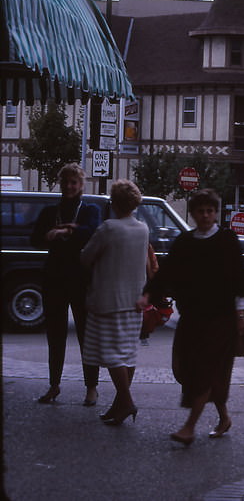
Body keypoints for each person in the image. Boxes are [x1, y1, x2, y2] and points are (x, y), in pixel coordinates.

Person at [139, 189, 244, 446]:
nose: (206, 215)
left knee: (206, 370)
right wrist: (148, 295)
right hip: (192, 317)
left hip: (220, 318)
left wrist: (240, 313)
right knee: (190, 369)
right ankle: (224, 417)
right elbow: (166, 273)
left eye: (210, 211)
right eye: (201, 211)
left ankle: (189, 427)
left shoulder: (226, 240)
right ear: (193, 214)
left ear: (216, 212)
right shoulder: (185, 242)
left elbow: (239, 277)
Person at [30, 163, 101, 406]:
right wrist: (50, 234)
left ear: (81, 185)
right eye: (66, 183)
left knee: (86, 335)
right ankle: (54, 385)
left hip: (82, 279)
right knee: (55, 334)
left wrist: (67, 230)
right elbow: (35, 238)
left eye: (74, 182)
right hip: (55, 278)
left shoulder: (89, 209)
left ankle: (91, 387)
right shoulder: (51, 211)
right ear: (61, 185)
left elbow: (93, 231)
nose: (69, 187)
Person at [79, 179, 150, 426]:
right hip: (134, 300)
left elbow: (85, 258)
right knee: (127, 354)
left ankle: (127, 401)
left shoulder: (108, 228)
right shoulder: (143, 229)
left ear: (114, 203)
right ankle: (119, 405)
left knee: (111, 355)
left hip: (107, 300)